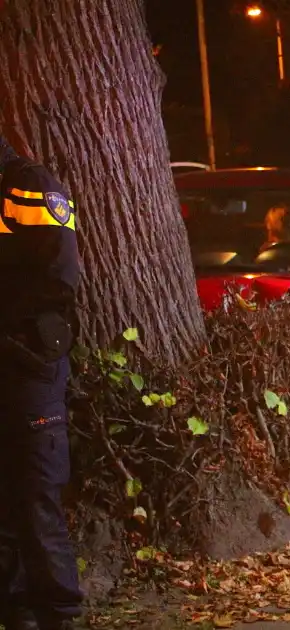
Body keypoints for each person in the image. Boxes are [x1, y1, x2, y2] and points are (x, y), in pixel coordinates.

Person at [0, 134, 84, 630]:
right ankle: (16, 612)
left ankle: (58, 613)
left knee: (36, 492)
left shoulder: (29, 185)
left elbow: (58, 278)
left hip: (27, 360)